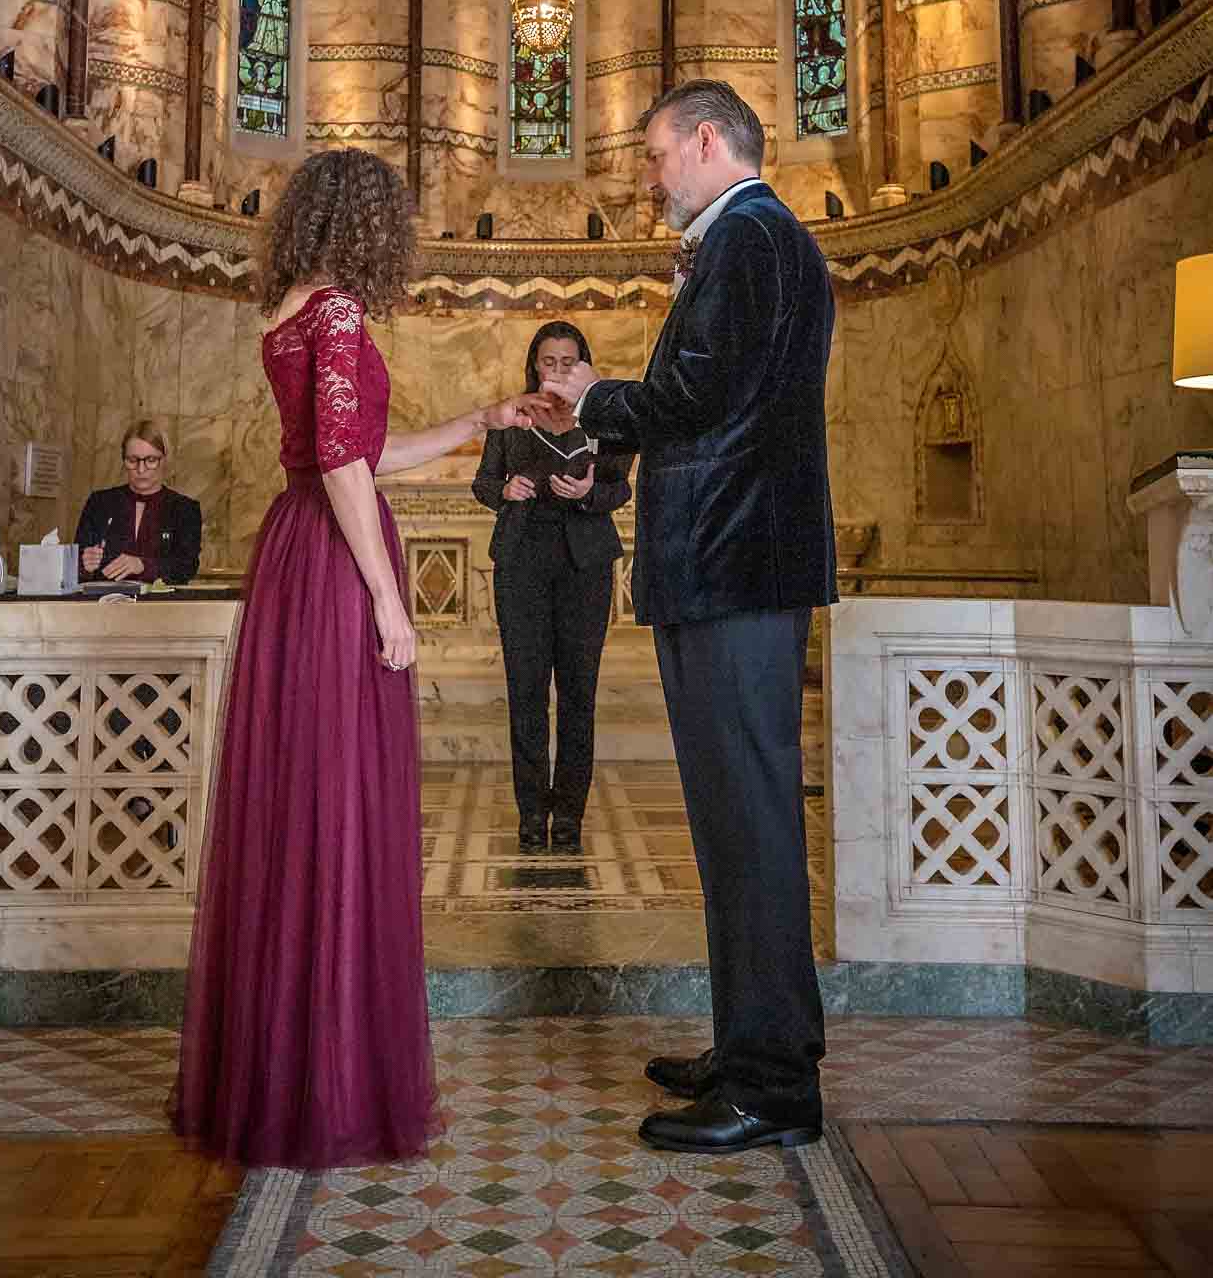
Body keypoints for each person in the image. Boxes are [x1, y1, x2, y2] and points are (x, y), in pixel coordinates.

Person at [170, 148, 541, 1170]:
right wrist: (389, 596)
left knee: (301, 807)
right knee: (337, 806)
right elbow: (341, 462)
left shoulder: (288, 306)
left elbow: (351, 449)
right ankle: (331, 1084)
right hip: (334, 567)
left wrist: (478, 422)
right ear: (369, 222)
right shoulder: (334, 311)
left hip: (295, 550)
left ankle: (282, 1072)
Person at [545, 80, 837, 1156]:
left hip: (734, 564)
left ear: (708, 140)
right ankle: (755, 1041)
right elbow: (717, 396)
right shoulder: (754, 239)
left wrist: (589, 397)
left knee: (751, 821)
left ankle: (772, 1085)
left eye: (657, 152)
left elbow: (698, 396)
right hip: (729, 564)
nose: (649, 173)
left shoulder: (752, 236)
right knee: (732, 820)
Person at [472, 322, 632, 855]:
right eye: (549, 361)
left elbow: (619, 487)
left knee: (579, 696)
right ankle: (530, 813)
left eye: (568, 361)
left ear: (584, 365)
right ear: (534, 366)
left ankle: (568, 815)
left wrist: (589, 490)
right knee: (526, 694)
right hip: (521, 564)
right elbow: (483, 481)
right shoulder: (511, 416)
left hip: (585, 567)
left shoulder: (606, 417)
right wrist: (505, 489)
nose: (559, 370)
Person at [75, 422, 202, 585]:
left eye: (151, 460)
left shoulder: (184, 508)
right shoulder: (100, 503)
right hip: (106, 605)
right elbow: (76, 563)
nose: (141, 469)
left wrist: (143, 565)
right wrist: (84, 565)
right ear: (123, 460)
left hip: (162, 607)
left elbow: (187, 567)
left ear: (164, 460)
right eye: (132, 460)